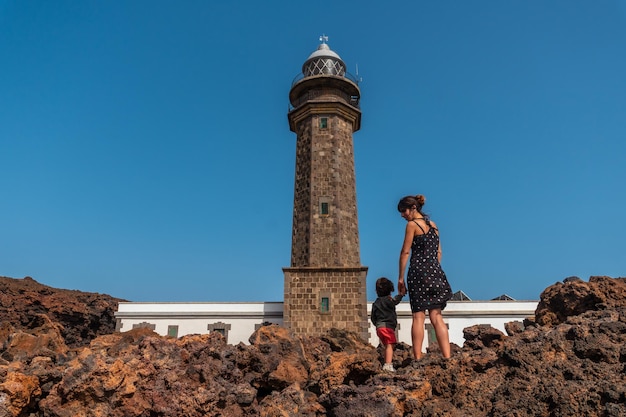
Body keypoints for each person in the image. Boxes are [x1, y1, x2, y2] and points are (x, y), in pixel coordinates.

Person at [397, 194, 452, 360]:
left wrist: (400, 277)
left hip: (418, 272)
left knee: (418, 316)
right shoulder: (434, 226)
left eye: (403, 211)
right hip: (435, 271)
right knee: (436, 316)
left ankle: (417, 357)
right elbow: (439, 252)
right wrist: (433, 267)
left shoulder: (412, 225)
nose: (402, 215)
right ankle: (447, 357)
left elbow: (405, 252)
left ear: (413, 208)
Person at [371, 277, 404, 372]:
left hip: (379, 328)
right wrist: (401, 295)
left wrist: (377, 325)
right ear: (390, 290)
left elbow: (373, 317)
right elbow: (395, 301)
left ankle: (386, 361)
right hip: (387, 327)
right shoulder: (388, 300)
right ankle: (388, 365)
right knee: (390, 345)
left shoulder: (376, 303)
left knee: (387, 345)